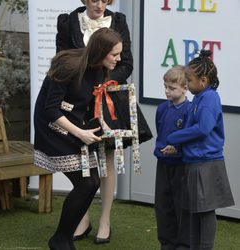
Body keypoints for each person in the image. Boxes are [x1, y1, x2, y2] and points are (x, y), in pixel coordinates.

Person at [56, 0, 152, 244]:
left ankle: (105, 220)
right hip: (77, 98)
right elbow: (62, 59)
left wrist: (102, 81)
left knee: (107, 158)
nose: (99, 5)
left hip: (108, 98)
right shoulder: (67, 22)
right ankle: (82, 218)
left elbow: (126, 62)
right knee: (80, 159)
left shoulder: (118, 20)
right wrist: (86, 82)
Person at [33, 27, 123, 250]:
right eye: (115, 54)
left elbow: (87, 104)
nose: (119, 59)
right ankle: (60, 240)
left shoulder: (99, 69)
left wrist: (102, 126)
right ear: (101, 51)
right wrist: (80, 132)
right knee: (86, 183)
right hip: (51, 127)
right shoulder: (68, 65)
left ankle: (62, 239)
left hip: (74, 126)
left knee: (91, 182)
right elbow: (50, 109)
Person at [165, 50, 235, 250]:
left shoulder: (209, 98)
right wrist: (177, 145)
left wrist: (173, 137)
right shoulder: (199, 97)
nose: (186, 83)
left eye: (189, 79)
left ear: (203, 80)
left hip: (206, 163)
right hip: (195, 162)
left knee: (204, 212)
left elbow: (203, 128)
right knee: (194, 211)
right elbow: (192, 128)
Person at [154, 66, 191, 250]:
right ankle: (166, 243)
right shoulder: (161, 109)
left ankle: (183, 244)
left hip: (182, 164)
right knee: (163, 205)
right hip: (163, 162)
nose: (167, 91)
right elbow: (161, 133)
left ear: (185, 88)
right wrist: (163, 149)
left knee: (182, 206)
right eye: (165, 87)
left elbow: (190, 136)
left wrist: (177, 148)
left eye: (172, 88)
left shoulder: (190, 110)